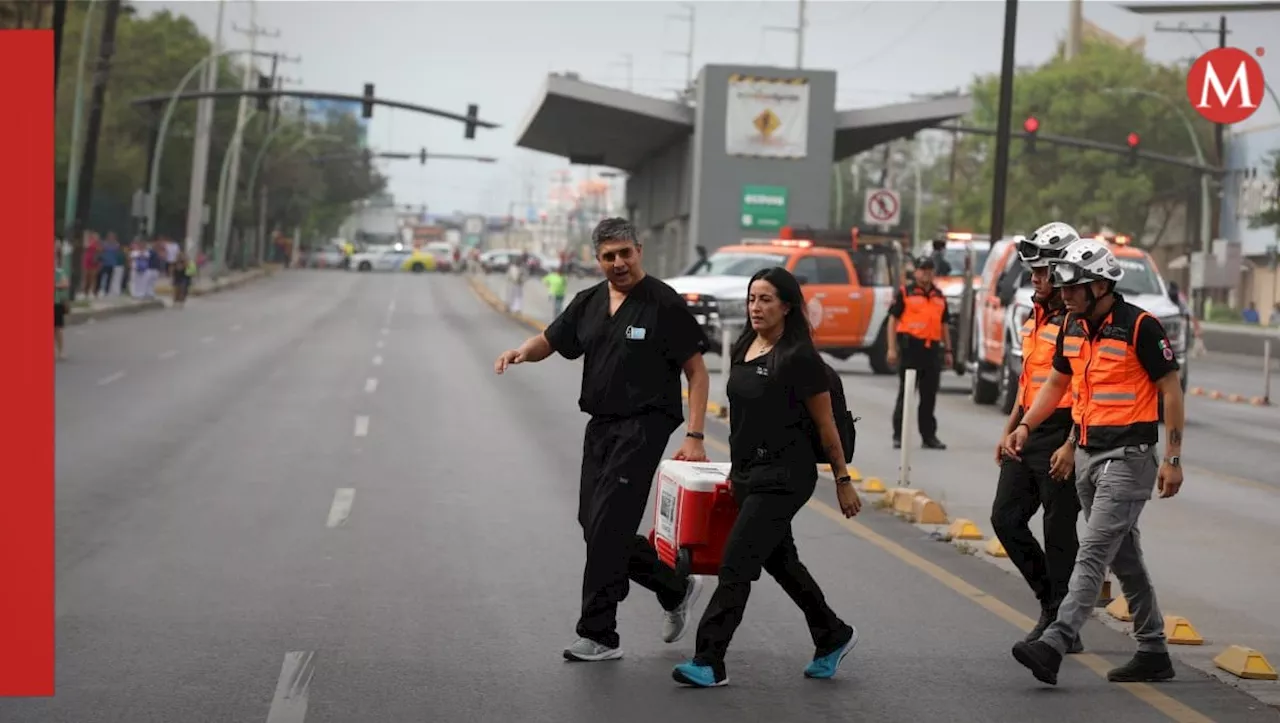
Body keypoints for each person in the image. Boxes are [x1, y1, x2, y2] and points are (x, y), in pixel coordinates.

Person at [493, 217, 712, 662]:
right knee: (591, 523)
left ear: (639, 252)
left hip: (646, 423)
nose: (618, 263)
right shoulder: (589, 302)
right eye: (609, 257)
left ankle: (599, 634)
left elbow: (697, 372)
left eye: (625, 254)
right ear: (598, 260)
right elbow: (551, 340)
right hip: (602, 425)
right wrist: (521, 352)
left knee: (609, 525)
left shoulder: (663, 304)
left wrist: (694, 436)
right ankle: (674, 586)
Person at [1004, 237, 1185, 686]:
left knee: (1092, 552)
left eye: (1072, 287)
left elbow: (1171, 389)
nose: (1063, 294)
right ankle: (1153, 650)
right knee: (1125, 560)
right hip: (1087, 455)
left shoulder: (1141, 327)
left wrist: (1174, 457)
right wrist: (1025, 425)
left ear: (1101, 286)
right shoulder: (1073, 325)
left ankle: (1055, 642)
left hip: (1130, 458)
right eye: (1062, 287)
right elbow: (1057, 385)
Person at [671, 267, 863, 689]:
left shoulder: (800, 359)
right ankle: (832, 633)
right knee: (782, 563)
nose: (756, 307)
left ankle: (709, 659)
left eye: (766, 300)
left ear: (787, 306)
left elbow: (827, 426)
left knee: (736, 564)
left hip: (785, 477)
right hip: (747, 475)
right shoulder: (745, 345)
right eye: (752, 299)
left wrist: (843, 479)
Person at [989, 222, 1083, 652]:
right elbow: (1029, 380)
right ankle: (1053, 604)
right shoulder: (1034, 315)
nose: (1036, 279)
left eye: (1043, 272)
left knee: (1058, 530)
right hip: (1029, 427)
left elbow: (1084, 388)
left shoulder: (1079, 323)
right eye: (1034, 272)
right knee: (1005, 519)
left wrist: (1072, 443)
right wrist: (1010, 427)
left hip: (1064, 430)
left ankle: (1063, 625)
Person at [887, 256, 951, 450]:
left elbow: (944, 324)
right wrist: (891, 348)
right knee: (906, 395)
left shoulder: (939, 296)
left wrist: (948, 350)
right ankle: (899, 435)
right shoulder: (905, 293)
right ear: (915, 272)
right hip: (910, 349)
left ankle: (928, 436)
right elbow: (892, 321)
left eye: (930, 269)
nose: (926, 273)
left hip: (931, 350)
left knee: (929, 396)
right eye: (922, 269)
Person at [55, 246, 70, 360]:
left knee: (58, 328)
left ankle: (60, 351)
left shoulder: (59, 271)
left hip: (56, 302)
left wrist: (56, 285)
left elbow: (65, 284)